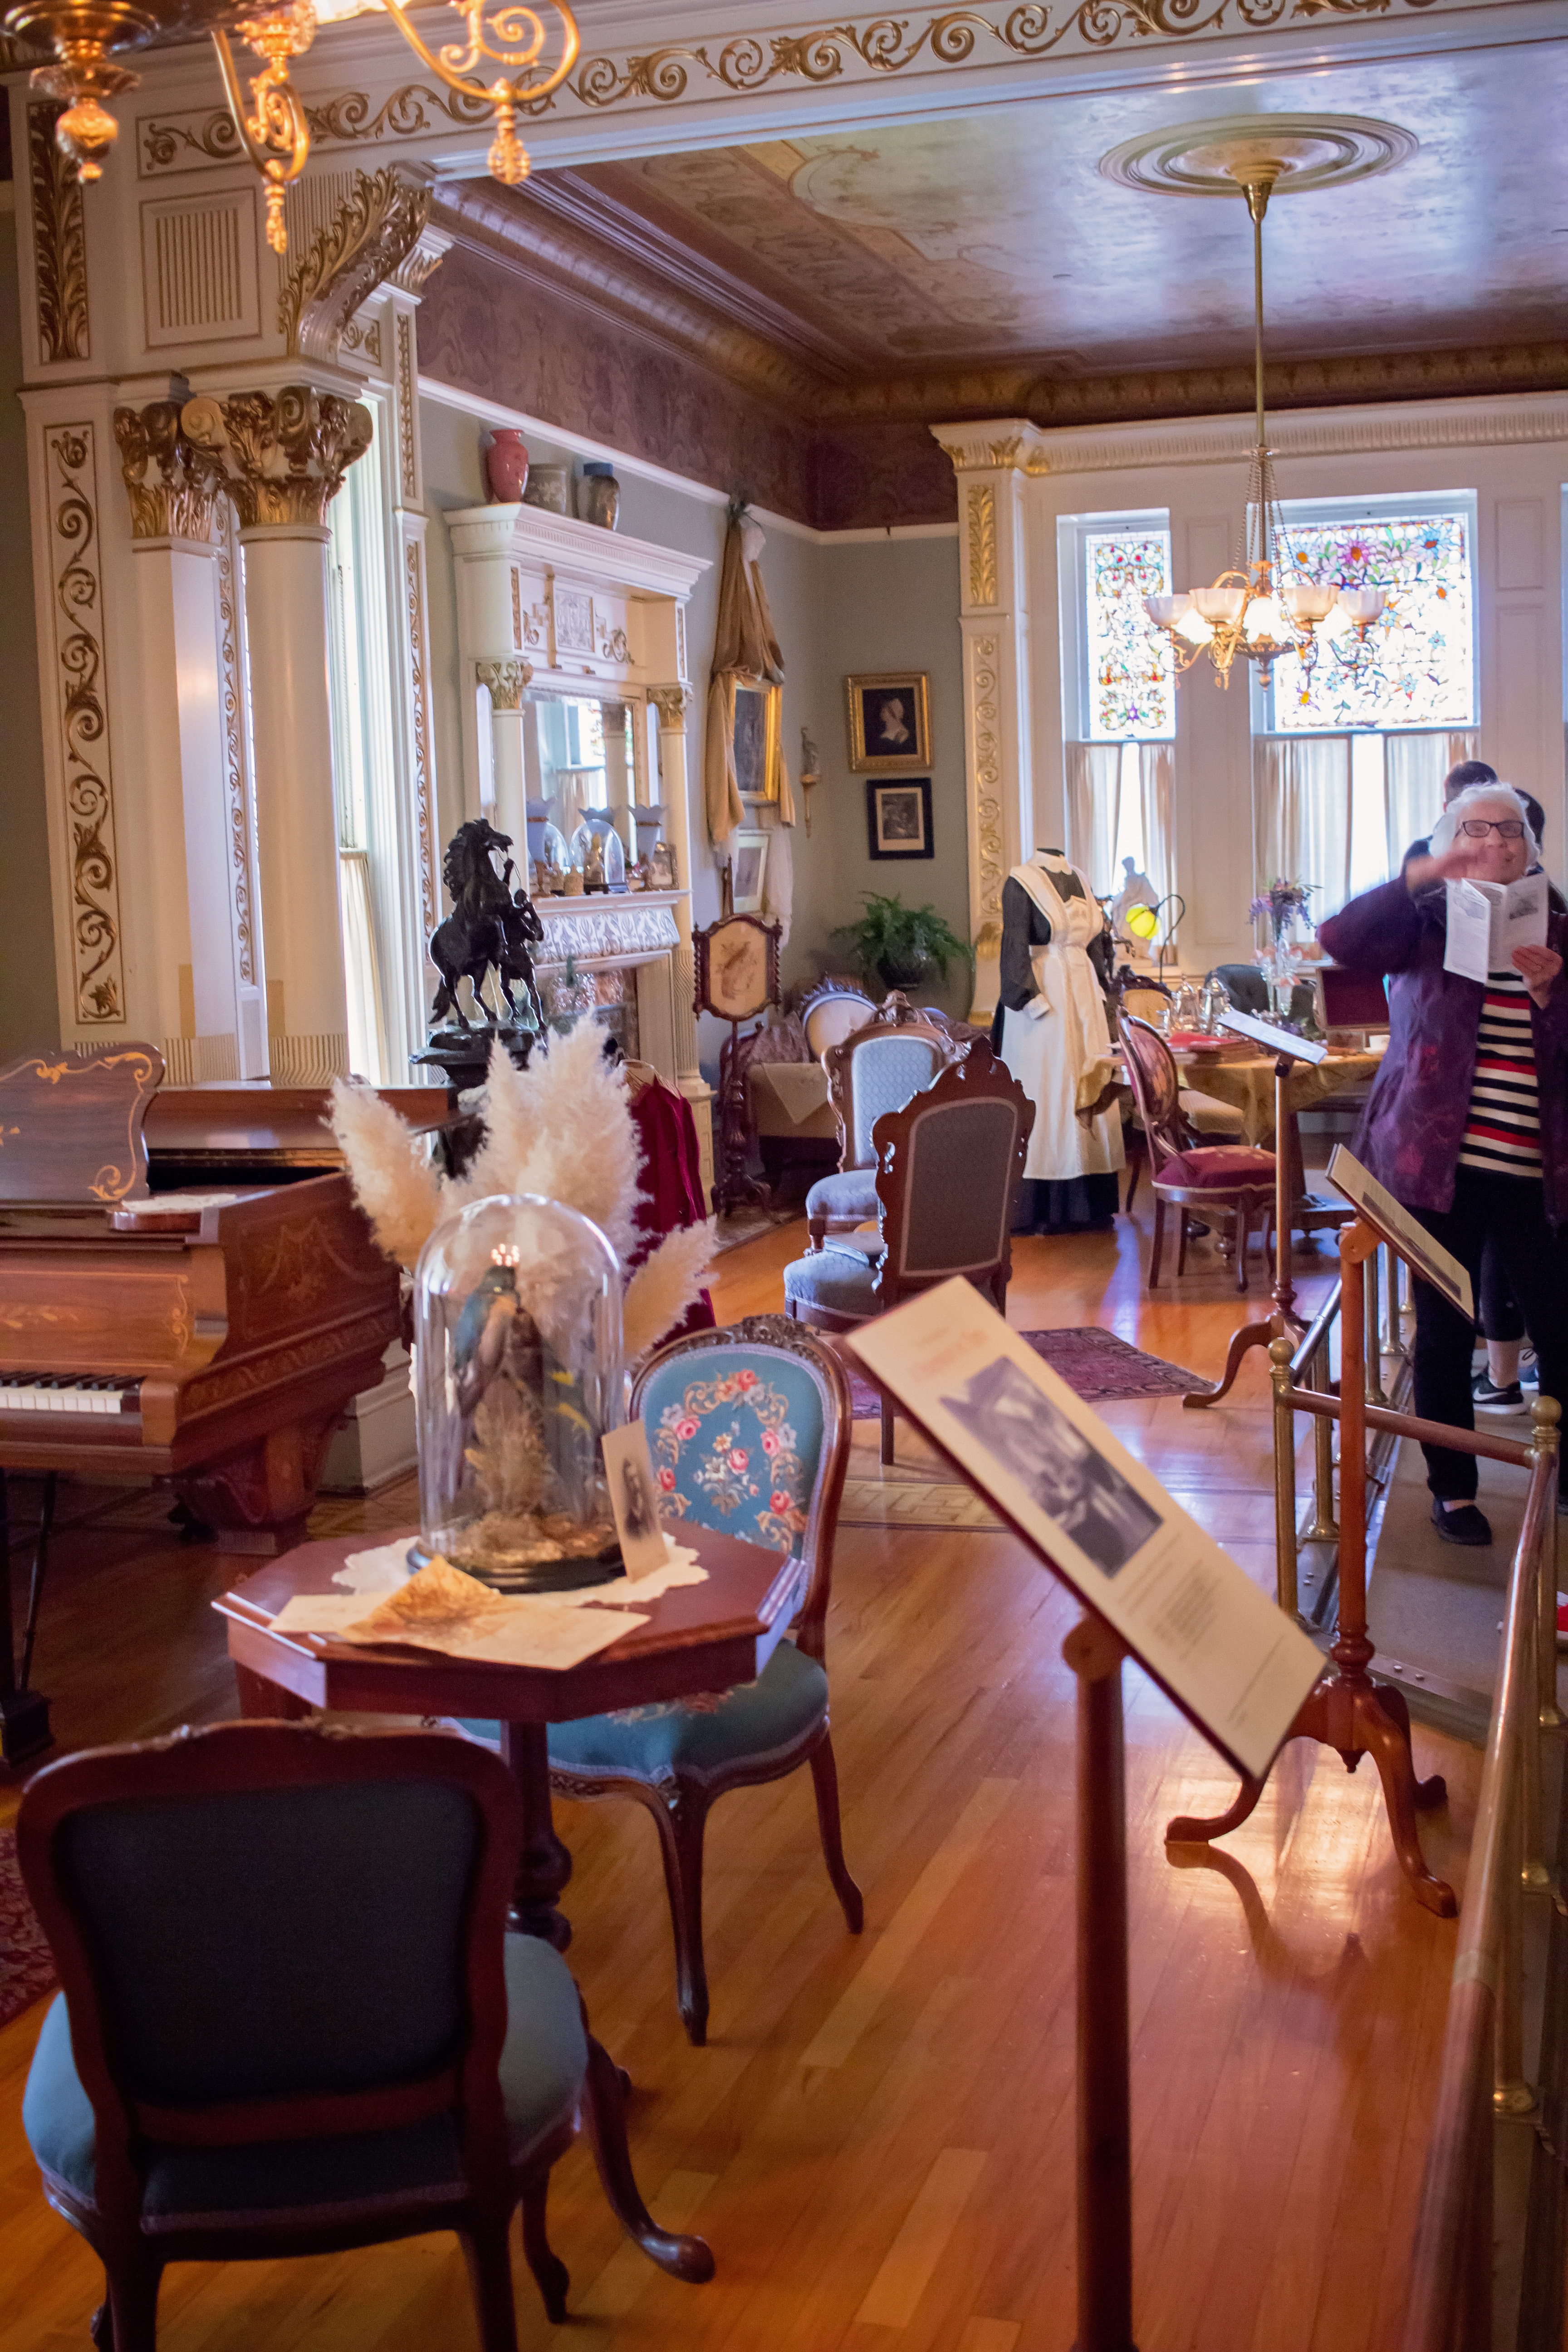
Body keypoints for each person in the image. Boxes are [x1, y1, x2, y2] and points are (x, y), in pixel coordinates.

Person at [1318, 783, 1568, 1546]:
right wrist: (1423, 875)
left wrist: (1552, 996)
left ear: (1529, 846)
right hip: (1436, 1169)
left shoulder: (1558, 923)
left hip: (1536, 1171)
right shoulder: (1421, 921)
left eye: (1510, 830)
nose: (1495, 842)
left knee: (1559, 1326)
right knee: (1443, 1333)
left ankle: (1561, 1474)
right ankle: (1453, 1491)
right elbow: (1341, 939)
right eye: (1476, 829)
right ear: (1452, 839)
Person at [990, 846, 1124, 1232]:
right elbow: (1014, 944)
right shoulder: (1022, 880)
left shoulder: (1081, 878)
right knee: (1050, 1092)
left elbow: (1095, 945)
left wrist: (1104, 993)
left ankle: (1091, 1204)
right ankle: (1043, 1208)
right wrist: (1029, 1000)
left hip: (1085, 996)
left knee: (1091, 1081)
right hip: (1044, 1000)